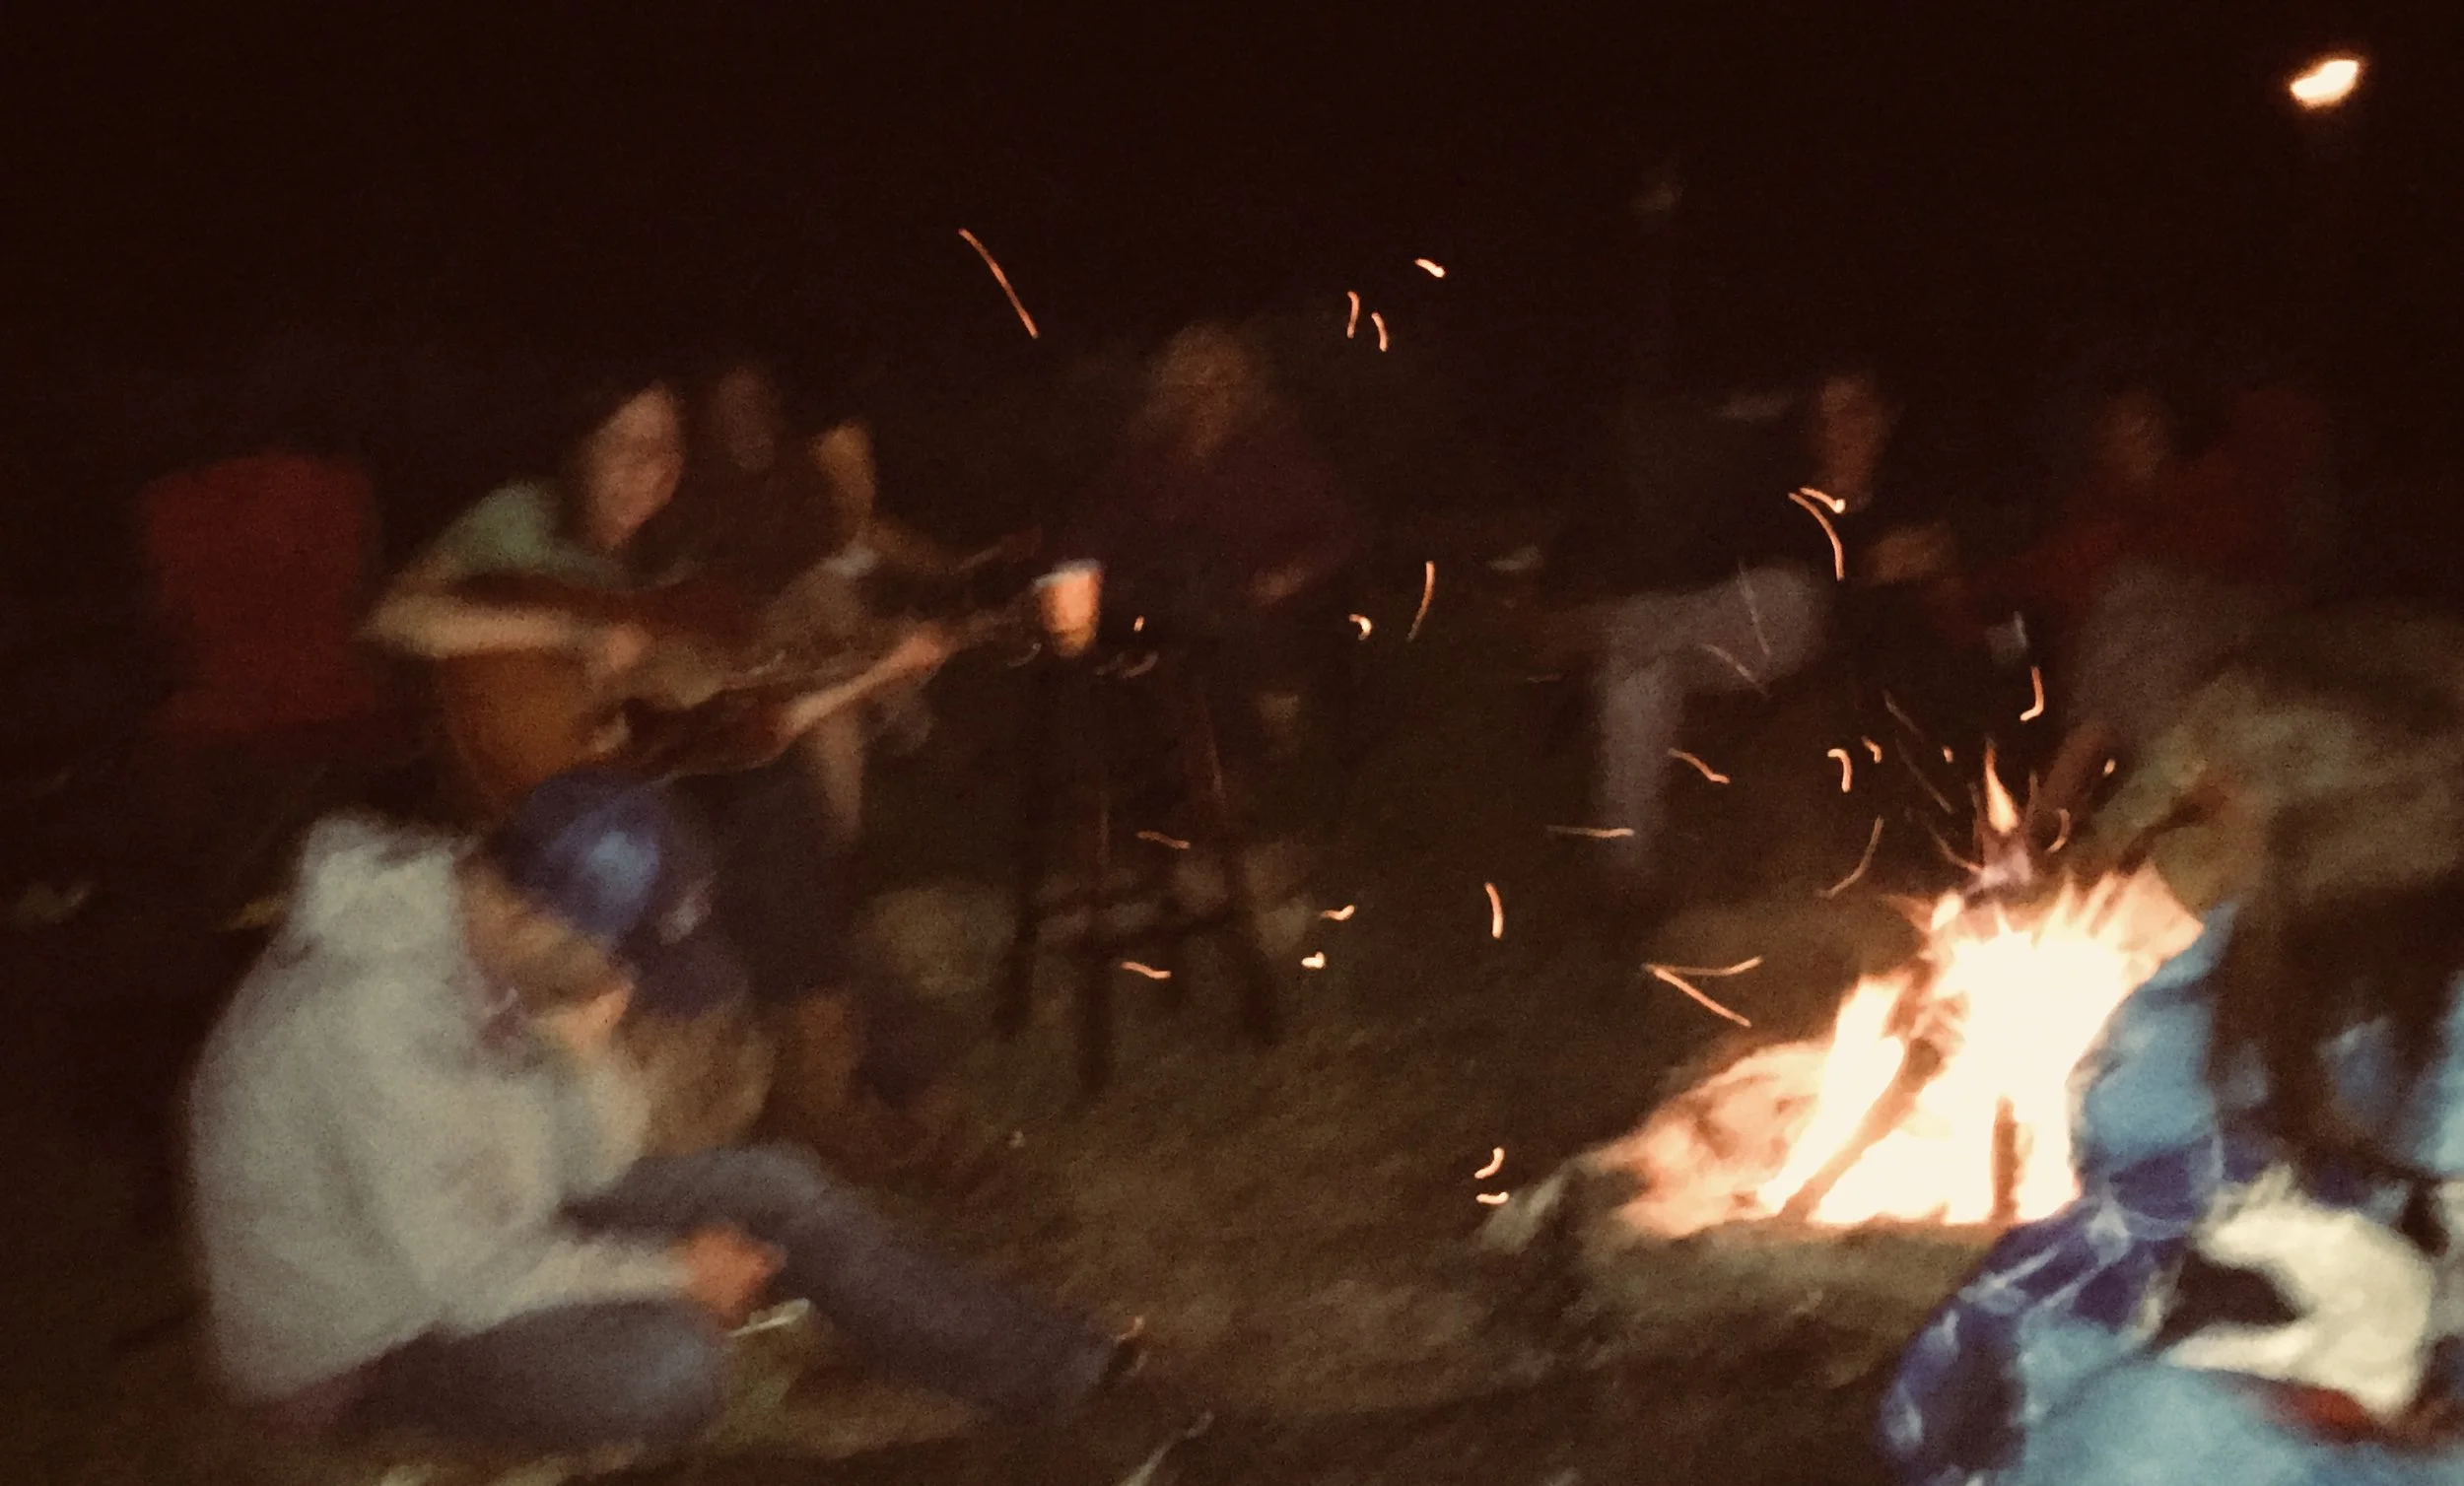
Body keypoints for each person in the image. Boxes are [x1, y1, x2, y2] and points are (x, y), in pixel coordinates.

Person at [186, 768, 1141, 1459]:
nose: (623, 982)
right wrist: (672, 1269)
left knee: (774, 1183)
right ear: (533, 913)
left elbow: (590, 1169)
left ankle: (1051, 1367)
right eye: (611, 959)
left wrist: (587, 1057)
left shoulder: (495, 934)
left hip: (482, 1228)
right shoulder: (372, 1017)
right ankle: (419, 1425)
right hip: (371, 1340)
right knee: (669, 1367)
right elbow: (472, 1278)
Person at [1879, 608, 2464, 1486]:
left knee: (2137, 1433)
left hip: (2290, 1400)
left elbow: (2127, 1134)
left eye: (2233, 791)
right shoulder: (2233, 967)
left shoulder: (2248, 1002)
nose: (2213, 799)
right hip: (2278, 1366)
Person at [365, 372, 959, 1176]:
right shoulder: (522, 518)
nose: (650, 466)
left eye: (668, 446)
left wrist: (876, 670)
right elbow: (395, 618)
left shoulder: (672, 562)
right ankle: (846, 1098)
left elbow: (756, 723)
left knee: (776, 806)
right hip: (558, 797)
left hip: (652, 783)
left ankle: (848, 1090)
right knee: (758, 861)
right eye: (625, 443)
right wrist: (569, 633)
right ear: (581, 446)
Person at [1540, 366, 1924, 899]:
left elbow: (1893, 628)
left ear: (1884, 419)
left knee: (1786, 593)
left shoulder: (1901, 509)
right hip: (1716, 641)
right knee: (1640, 669)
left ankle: (1603, 628)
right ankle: (1625, 871)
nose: (1839, 431)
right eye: (1825, 418)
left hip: (1797, 642)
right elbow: (1706, 575)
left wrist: (1882, 575)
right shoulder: (1780, 497)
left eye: (1854, 412)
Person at [1055, 322, 1367, 765]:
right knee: (1086, 649)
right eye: (1194, 381)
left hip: (1260, 600)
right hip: (1165, 599)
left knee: (1252, 636)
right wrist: (1075, 583)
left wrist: (1285, 579)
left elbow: (1340, 531)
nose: (1209, 393)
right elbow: (1092, 530)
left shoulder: (1278, 455)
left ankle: (1276, 746)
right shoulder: (1145, 462)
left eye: (1222, 379)